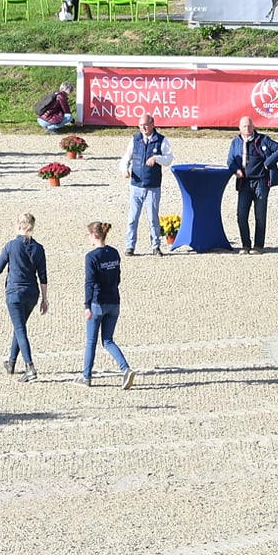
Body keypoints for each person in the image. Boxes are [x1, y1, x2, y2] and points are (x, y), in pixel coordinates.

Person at [0, 213, 48, 381]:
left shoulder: (11, 246)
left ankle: (30, 367)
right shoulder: (39, 248)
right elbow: (43, 276)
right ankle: (11, 362)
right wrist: (44, 299)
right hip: (32, 294)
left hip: (14, 293)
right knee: (19, 326)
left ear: (19, 225)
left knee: (20, 329)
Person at [81, 221, 135, 388]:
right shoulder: (114, 253)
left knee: (91, 341)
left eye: (89, 235)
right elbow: (117, 277)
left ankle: (86, 376)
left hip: (98, 303)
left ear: (94, 235)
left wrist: (87, 305)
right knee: (108, 340)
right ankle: (125, 369)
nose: (88, 237)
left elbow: (89, 283)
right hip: (114, 301)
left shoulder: (91, 257)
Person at [226, 117, 278, 253]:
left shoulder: (263, 140)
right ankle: (245, 245)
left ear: (253, 126)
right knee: (241, 215)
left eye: (249, 126)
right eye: (244, 126)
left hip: (261, 182)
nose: (247, 129)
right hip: (244, 183)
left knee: (260, 215)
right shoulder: (236, 142)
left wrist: (268, 163)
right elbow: (230, 161)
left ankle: (258, 246)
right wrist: (236, 170)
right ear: (239, 128)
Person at [119, 113, 173, 255]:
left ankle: (156, 246)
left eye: (146, 125)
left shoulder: (161, 140)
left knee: (153, 219)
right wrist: (124, 169)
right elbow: (126, 157)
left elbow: (169, 159)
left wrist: (157, 158)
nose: (143, 128)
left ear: (152, 124)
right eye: (141, 125)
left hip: (152, 185)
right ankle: (130, 246)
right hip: (136, 185)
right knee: (132, 218)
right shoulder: (135, 139)